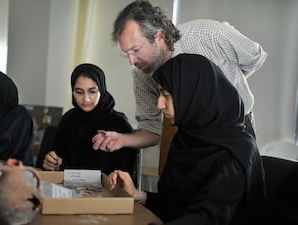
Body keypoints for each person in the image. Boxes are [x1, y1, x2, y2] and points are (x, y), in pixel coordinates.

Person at [107, 53, 266, 225]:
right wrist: (137, 195)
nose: (159, 104)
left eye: (166, 95)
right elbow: (172, 206)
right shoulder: (186, 139)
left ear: (194, 95)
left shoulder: (235, 153)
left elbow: (206, 219)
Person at [92, 0, 267, 152]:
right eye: (126, 53)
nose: (131, 61)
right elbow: (152, 129)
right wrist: (122, 139)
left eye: (136, 50)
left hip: (237, 128)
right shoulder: (141, 74)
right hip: (188, 137)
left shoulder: (209, 35)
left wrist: (225, 91)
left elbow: (255, 58)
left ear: (159, 37)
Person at [43, 63, 137, 176]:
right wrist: (53, 163)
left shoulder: (119, 125)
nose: (85, 98)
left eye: (92, 91)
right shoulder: (68, 119)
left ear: (101, 90)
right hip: (68, 188)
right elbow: (58, 158)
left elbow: (126, 176)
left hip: (107, 191)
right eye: (79, 92)